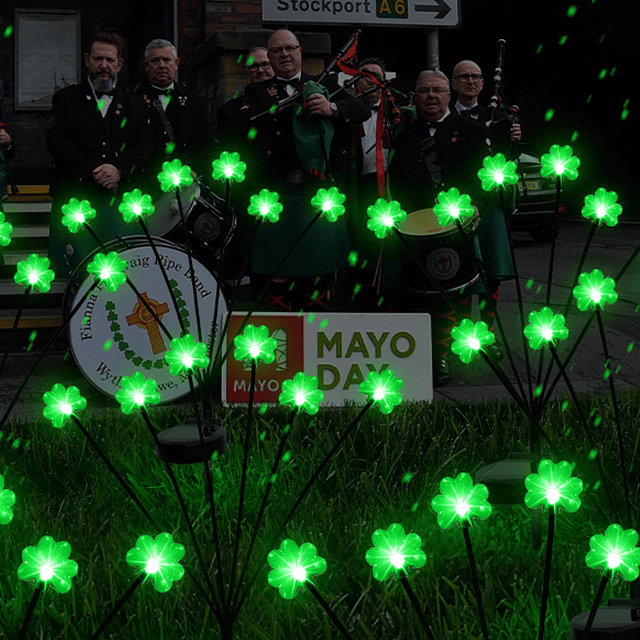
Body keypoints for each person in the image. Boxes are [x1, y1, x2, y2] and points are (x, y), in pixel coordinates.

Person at [231, 29, 370, 311]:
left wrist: (331, 108)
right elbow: (244, 123)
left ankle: (314, 343)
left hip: (318, 197)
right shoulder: (257, 92)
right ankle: (281, 348)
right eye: (277, 51)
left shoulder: (325, 84)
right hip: (278, 198)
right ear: (269, 58)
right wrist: (283, 109)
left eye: (289, 48)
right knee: (275, 280)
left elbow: (361, 108)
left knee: (318, 278)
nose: (284, 54)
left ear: (300, 51)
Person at [388, 70, 495, 386]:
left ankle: (443, 354)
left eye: (437, 90)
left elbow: (485, 176)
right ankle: (423, 354)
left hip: (456, 224)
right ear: (416, 97)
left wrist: (476, 205)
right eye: (424, 91)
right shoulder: (405, 135)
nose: (431, 97)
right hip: (419, 228)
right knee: (421, 294)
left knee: (455, 292)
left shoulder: (472, 131)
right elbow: (398, 180)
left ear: (450, 95)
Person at [46, 31, 153, 277]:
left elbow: (145, 145)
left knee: (124, 274)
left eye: (110, 60)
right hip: (76, 199)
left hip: (121, 204)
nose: (103, 65)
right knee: (78, 275)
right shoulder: (65, 99)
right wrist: (95, 171)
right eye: (98, 59)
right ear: (87, 60)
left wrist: (118, 169)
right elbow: (57, 141)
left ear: (120, 64)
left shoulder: (136, 104)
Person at [451, 59, 519, 350]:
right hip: (457, 203)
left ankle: (486, 335)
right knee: (462, 273)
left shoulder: (499, 118)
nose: (470, 81)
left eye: (475, 76)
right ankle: (464, 336)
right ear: (453, 84)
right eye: (463, 76)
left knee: (491, 271)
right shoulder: (445, 116)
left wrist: (514, 141)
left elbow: (508, 161)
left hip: (490, 203)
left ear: (482, 83)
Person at [134, 39, 213, 180]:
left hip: (185, 181)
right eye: (155, 61)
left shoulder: (193, 99)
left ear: (176, 64)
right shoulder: (134, 99)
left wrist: (192, 171)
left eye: (166, 60)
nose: (162, 66)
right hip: (147, 183)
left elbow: (205, 141)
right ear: (146, 66)